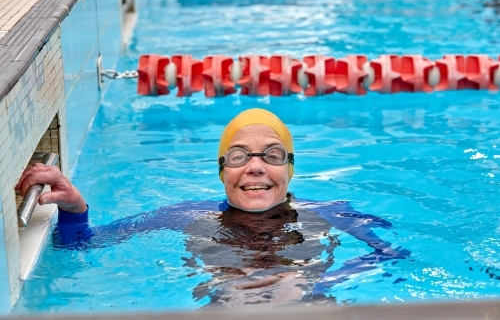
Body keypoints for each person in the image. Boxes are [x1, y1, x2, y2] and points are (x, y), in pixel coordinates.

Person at [16, 108, 410, 308]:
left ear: (289, 170)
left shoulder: (333, 213)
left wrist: (322, 286)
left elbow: (394, 256)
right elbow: (81, 248)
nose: (255, 166)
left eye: (271, 155)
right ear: (222, 172)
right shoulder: (184, 216)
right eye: (238, 156)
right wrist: (74, 208)